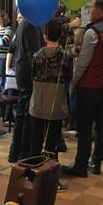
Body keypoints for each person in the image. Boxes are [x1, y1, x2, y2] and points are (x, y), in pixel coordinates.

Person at [62, 0, 103, 177]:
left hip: (89, 86)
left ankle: (80, 166)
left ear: (99, 11)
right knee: (101, 125)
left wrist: (74, 82)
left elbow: (83, 62)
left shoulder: (93, 32)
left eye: (91, 9)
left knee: (85, 128)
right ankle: (96, 162)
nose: (89, 12)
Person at [28, 18, 73, 159]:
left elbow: (32, 76)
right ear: (60, 35)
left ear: (45, 36)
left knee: (35, 141)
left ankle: (33, 168)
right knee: (52, 142)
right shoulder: (66, 56)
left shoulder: (37, 55)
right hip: (57, 102)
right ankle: (50, 168)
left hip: (38, 101)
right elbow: (69, 78)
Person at [8, 17, 42, 163]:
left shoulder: (23, 24)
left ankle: (15, 152)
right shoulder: (31, 24)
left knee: (22, 113)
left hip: (21, 71)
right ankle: (24, 154)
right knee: (27, 114)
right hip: (28, 73)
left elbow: (15, 46)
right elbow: (33, 55)